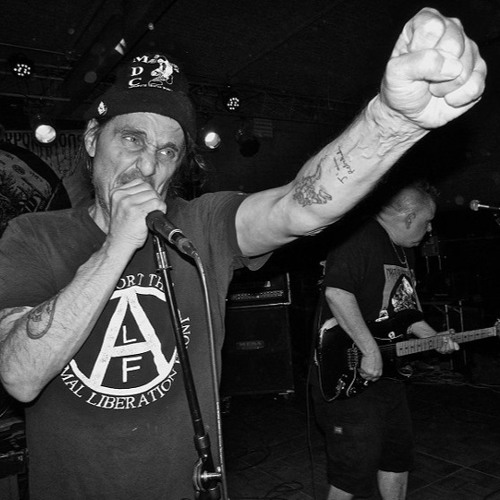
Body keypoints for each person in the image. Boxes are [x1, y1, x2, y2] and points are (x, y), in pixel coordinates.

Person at [0, 7, 486, 500]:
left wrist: (392, 122)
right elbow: (19, 376)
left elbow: (298, 206)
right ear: (90, 140)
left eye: (168, 151)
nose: (147, 165)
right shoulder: (33, 236)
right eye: (131, 139)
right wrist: (117, 245)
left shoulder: (200, 223)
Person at [311, 184, 460, 500]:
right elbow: (337, 293)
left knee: (397, 458)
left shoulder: (404, 251)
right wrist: (368, 349)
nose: (430, 229)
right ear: (409, 217)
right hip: (347, 373)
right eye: (427, 221)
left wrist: (433, 338)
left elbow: (406, 313)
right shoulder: (358, 236)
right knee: (351, 474)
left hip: (390, 374)